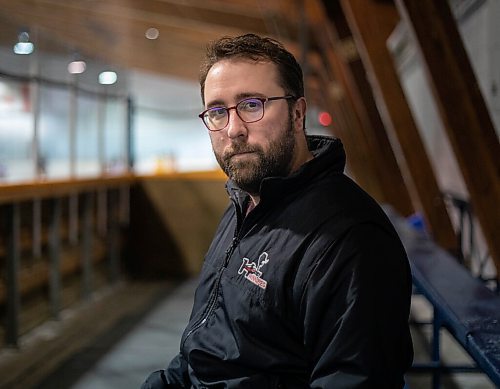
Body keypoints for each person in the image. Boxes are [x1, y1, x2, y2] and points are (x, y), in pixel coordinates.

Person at [142, 33, 413, 388]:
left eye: (252, 105)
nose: (234, 129)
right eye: (218, 111)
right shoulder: (244, 205)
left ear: (298, 113)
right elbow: (203, 351)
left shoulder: (350, 240)